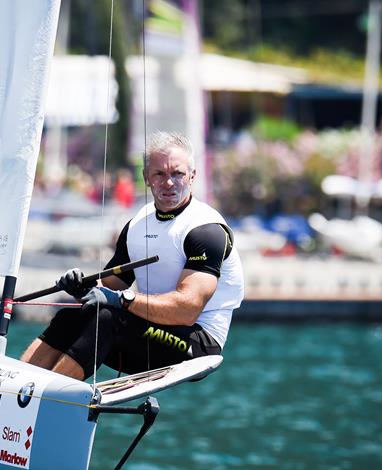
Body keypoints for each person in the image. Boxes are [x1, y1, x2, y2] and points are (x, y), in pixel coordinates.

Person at [21, 131, 244, 380]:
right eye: (159, 174)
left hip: (197, 344)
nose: (169, 183)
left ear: (192, 176)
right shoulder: (137, 225)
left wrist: (123, 300)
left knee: (106, 318)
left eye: (178, 174)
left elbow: (186, 310)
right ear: (146, 178)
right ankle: (19, 389)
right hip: (150, 332)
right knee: (69, 318)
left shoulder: (205, 230)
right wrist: (81, 287)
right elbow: (110, 286)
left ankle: (50, 398)